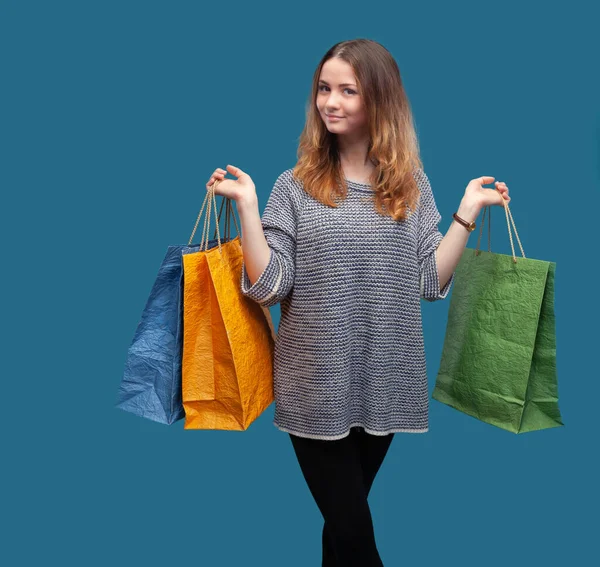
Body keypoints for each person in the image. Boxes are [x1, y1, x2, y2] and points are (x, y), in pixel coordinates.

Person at [205, 38, 510, 567]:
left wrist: (465, 212)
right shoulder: (294, 187)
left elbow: (427, 280)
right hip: (313, 386)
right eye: (325, 88)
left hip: (385, 383)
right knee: (354, 532)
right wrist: (249, 208)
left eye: (348, 90)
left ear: (380, 102)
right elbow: (272, 284)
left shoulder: (409, 185)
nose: (331, 102)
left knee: (341, 535)